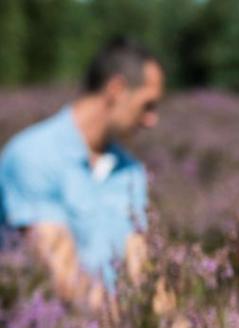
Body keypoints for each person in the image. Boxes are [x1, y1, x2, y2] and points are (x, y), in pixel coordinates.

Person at [0, 37, 163, 309]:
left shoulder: (131, 172)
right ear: (116, 89)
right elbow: (66, 282)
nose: (151, 120)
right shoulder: (33, 156)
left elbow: (142, 271)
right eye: (147, 105)